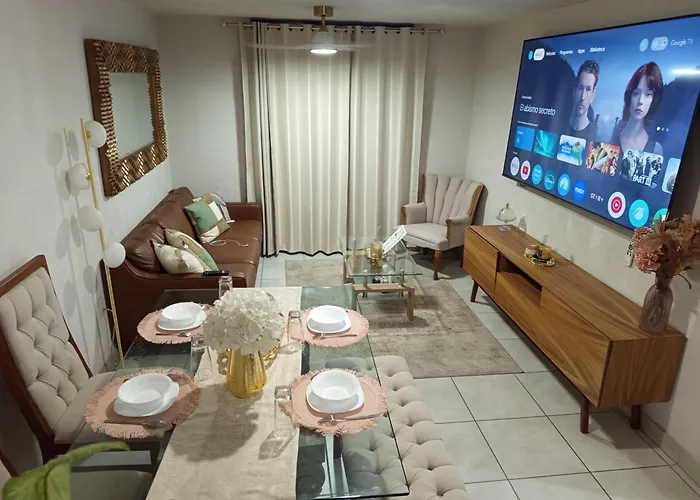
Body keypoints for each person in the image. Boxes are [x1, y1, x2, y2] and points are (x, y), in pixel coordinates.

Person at [612, 62, 664, 154]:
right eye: (636, 93)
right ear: (630, 96)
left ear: (653, 100)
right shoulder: (610, 139)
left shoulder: (655, 149)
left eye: (648, 94)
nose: (640, 101)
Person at [568, 60, 599, 143]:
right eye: (580, 88)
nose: (583, 97)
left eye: (588, 89)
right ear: (574, 91)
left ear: (592, 95)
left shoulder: (595, 136)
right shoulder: (560, 125)